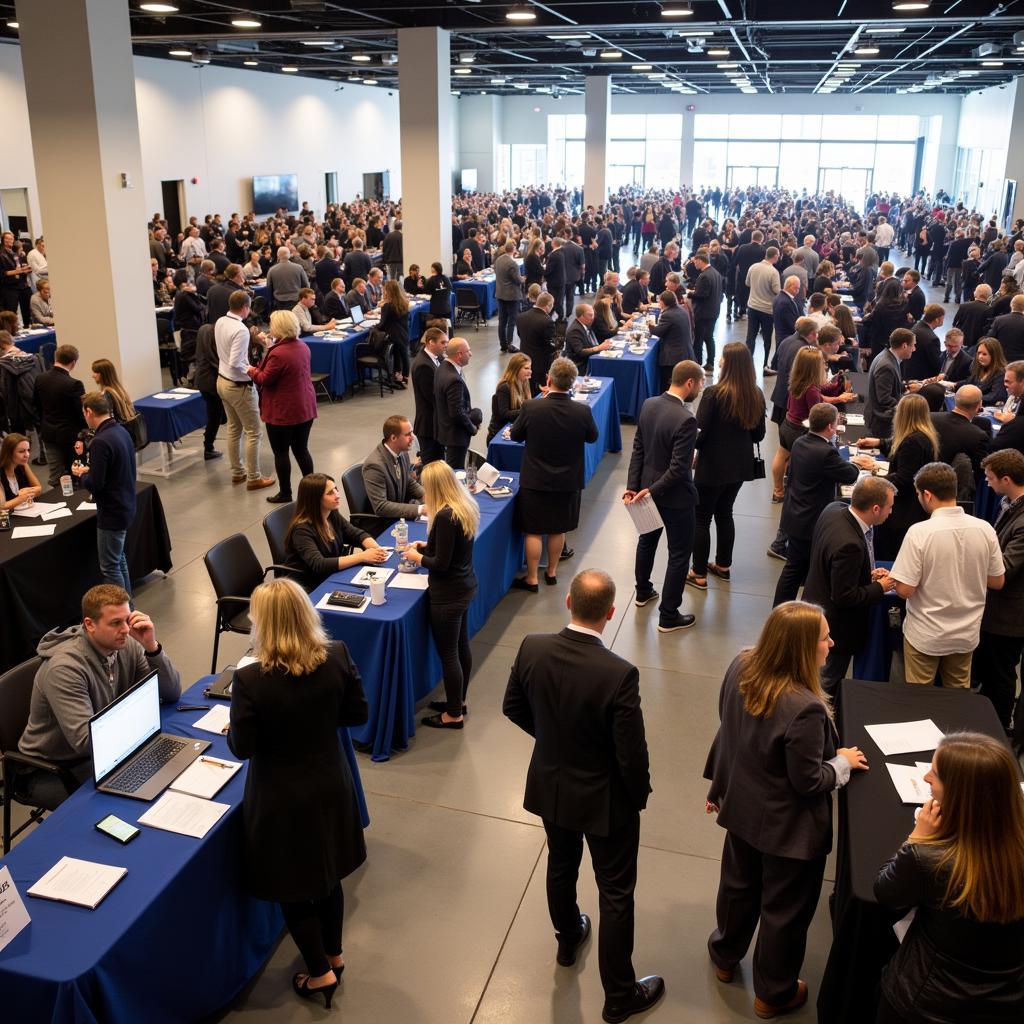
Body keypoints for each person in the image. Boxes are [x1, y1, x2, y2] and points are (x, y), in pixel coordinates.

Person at [502, 569, 664, 1024]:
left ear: (568, 602)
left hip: (551, 787)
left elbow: (512, 706)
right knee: (615, 893)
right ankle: (618, 996)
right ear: (612, 614)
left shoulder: (532, 646)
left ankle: (568, 935)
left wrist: (554, 742)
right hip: (604, 800)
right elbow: (631, 756)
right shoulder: (618, 674)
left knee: (561, 862)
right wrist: (637, 798)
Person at [704, 601, 867, 1021]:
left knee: (737, 888)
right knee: (784, 911)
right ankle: (772, 993)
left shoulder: (742, 664)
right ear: (800, 648)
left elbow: (729, 727)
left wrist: (719, 785)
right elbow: (809, 781)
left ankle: (724, 956)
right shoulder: (805, 708)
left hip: (740, 809)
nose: (831, 644)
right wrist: (842, 762)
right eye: (824, 639)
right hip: (787, 832)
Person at [227, 578, 368, 1009]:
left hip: (281, 799)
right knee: (327, 877)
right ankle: (335, 956)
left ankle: (320, 975)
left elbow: (242, 748)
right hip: (331, 784)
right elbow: (357, 714)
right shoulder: (338, 655)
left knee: (293, 887)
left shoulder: (251, 680)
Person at [873, 732, 1024, 1024]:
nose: (927, 778)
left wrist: (915, 839)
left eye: (936, 774)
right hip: (1007, 1004)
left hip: (925, 1002)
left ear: (962, 795)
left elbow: (885, 891)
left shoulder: (929, 860)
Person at [16, 584, 181, 810]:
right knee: (123, 808)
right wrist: (139, 715)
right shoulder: (65, 669)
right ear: (89, 625)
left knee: (166, 782)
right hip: (52, 769)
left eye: (127, 620)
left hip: (107, 752)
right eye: (115, 623)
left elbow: (171, 693)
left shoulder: (128, 644)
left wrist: (151, 647)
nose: (125, 629)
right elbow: (85, 742)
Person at [890, 462, 1004, 687]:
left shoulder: (919, 532)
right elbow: (997, 581)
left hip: (926, 634)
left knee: (920, 700)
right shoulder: (985, 529)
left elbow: (905, 590)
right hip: (966, 634)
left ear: (927, 494)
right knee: (957, 699)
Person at [625, 360, 704, 632]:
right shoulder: (686, 419)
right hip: (675, 498)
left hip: (645, 490)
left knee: (646, 541)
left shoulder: (648, 404)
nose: (701, 389)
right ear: (690, 383)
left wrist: (634, 486)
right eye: (701, 384)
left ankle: (643, 591)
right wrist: (652, 490)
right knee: (679, 554)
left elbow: (638, 448)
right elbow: (679, 469)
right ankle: (668, 615)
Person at [401, 461, 479, 730]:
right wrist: (427, 545)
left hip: (448, 595)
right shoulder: (463, 506)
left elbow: (441, 563)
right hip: (465, 586)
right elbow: (450, 549)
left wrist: (416, 556)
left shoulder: (445, 516)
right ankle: (459, 700)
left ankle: (453, 714)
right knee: (461, 647)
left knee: (449, 654)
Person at [802, 477, 897, 692]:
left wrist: (866, 575)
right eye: (889, 508)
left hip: (816, 601)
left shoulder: (834, 511)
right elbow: (845, 597)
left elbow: (834, 568)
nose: (890, 513)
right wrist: (881, 586)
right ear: (875, 509)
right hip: (837, 627)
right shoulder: (850, 545)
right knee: (826, 682)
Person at [773, 403, 874, 606]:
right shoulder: (825, 452)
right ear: (830, 426)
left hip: (795, 516)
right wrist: (858, 463)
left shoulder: (800, 442)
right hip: (811, 522)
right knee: (809, 573)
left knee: (792, 569)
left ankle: (780, 611)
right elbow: (850, 475)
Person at [511, 357, 598, 592]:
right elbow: (592, 437)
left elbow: (517, 435)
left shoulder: (532, 407)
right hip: (567, 480)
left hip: (535, 479)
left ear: (549, 380)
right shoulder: (582, 411)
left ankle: (531, 577)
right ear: (572, 383)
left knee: (533, 530)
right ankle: (551, 572)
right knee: (557, 528)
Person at [690, 344, 766, 589]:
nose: (719, 360)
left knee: (701, 517)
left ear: (728, 363)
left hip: (712, 465)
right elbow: (759, 435)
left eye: (722, 357)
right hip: (741, 466)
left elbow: (699, 434)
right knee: (725, 513)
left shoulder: (713, 394)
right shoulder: (755, 393)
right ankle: (723, 565)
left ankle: (698, 573)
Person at [969, 449, 1024, 729]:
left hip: (1010, 615)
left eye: (990, 478)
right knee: (990, 672)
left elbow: (1004, 568)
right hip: (997, 611)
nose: (987, 483)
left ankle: (999, 730)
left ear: (1006, 478)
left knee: (1001, 676)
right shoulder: (1009, 504)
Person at [246, 309, 316, 504]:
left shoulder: (278, 354)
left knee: (281, 452)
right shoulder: (303, 347)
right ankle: (312, 490)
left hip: (283, 410)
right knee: (301, 449)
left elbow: (264, 379)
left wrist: (251, 370)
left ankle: (286, 493)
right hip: (304, 406)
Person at [858, 394, 939, 561]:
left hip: (903, 512)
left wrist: (873, 477)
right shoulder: (922, 436)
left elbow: (904, 480)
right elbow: (898, 452)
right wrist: (879, 443)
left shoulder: (912, 442)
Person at [70, 392, 137, 592]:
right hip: (126, 504)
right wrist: (91, 471)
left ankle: (121, 615)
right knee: (119, 560)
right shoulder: (120, 431)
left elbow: (96, 484)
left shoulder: (99, 441)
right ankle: (128, 607)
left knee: (110, 567)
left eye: (84, 413)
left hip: (111, 511)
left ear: (89, 411)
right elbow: (114, 468)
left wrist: (80, 476)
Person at [284, 473, 387, 590]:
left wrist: (376, 549)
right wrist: (362, 556)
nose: (337, 495)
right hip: (310, 584)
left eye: (336, 489)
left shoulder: (331, 514)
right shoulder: (301, 530)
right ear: (315, 499)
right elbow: (319, 564)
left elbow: (356, 534)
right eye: (330, 493)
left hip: (332, 574)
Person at [215, 290, 274, 491]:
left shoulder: (221, 321)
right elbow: (236, 362)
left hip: (222, 381)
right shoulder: (240, 329)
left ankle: (238, 472)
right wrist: (254, 370)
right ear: (245, 308)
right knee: (253, 432)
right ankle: (254, 477)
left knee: (234, 429)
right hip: (238, 386)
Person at [33, 343, 85, 488]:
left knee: (55, 476)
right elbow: (80, 413)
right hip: (71, 436)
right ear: (73, 363)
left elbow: (36, 406)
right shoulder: (74, 384)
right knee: (76, 472)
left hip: (49, 433)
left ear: (56, 357)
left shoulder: (40, 379)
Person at [361, 414, 425, 520]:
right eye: (408, 434)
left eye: (412, 432)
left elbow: (408, 481)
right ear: (393, 438)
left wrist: (426, 495)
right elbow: (381, 507)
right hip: (383, 523)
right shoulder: (374, 466)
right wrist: (419, 509)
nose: (413, 437)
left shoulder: (402, 453)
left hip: (398, 515)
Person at [433, 337, 482, 470]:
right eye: (468, 351)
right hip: (456, 436)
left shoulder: (442, 367)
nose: (470, 354)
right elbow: (456, 412)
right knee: (456, 472)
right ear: (459, 354)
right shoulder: (454, 379)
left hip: (445, 431)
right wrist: (472, 428)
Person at [865, 328, 916, 437]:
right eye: (913, 345)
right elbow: (884, 398)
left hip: (879, 419)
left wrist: (906, 387)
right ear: (904, 346)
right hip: (881, 422)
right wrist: (908, 406)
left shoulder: (887, 356)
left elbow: (889, 385)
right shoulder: (887, 365)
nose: (914, 349)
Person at [410, 325, 447, 467]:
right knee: (431, 467)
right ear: (431, 342)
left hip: (435, 424)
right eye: (442, 343)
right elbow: (432, 398)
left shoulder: (437, 358)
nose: (445, 346)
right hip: (429, 426)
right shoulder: (423, 365)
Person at [745, 245, 781, 369]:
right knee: (767, 338)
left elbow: (747, 283)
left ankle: (748, 362)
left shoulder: (753, 267)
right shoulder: (773, 272)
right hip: (767, 310)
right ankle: (765, 363)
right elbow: (777, 290)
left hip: (753, 306)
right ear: (775, 256)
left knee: (751, 336)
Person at [650, 290, 694, 393]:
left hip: (673, 356)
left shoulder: (668, 314)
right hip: (685, 351)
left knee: (667, 384)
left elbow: (657, 332)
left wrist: (650, 324)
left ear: (663, 302)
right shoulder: (681, 309)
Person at [192, 323, 224, 461]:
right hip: (210, 382)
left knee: (214, 415)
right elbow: (215, 360)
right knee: (214, 416)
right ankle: (208, 447)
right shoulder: (212, 334)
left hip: (201, 380)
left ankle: (209, 445)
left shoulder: (203, 329)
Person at [486, 353, 533, 443]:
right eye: (526, 368)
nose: (530, 371)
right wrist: (527, 409)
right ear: (516, 369)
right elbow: (505, 414)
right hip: (499, 433)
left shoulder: (525, 383)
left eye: (530, 368)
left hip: (514, 427)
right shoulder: (504, 387)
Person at [516, 291, 558, 389]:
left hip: (524, 360)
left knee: (526, 388)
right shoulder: (547, 321)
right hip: (541, 364)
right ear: (548, 306)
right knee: (541, 390)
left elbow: (519, 335)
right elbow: (549, 344)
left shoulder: (521, 317)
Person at [690, 249, 723, 371]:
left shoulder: (704, 275)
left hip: (703, 313)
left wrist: (690, 295)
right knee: (709, 337)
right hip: (713, 311)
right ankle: (710, 362)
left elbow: (702, 295)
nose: (694, 264)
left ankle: (696, 364)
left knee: (698, 340)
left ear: (700, 260)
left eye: (695, 262)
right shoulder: (716, 273)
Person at [378, 278, 411, 388]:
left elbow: (382, 324)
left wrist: (372, 327)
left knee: (397, 356)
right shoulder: (404, 303)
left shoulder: (387, 306)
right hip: (403, 333)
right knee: (404, 355)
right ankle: (404, 377)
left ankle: (397, 376)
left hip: (393, 335)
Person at [958, 336, 1008, 406]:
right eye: (979, 353)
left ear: (994, 356)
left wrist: (970, 399)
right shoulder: (980, 368)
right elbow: (968, 382)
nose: (980, 357)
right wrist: (952, 385)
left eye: (984, 354)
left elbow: (995, 396)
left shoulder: (1001, 373)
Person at [494, 240, 523, 354]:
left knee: (502, 321)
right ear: (514, 250)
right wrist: (522, 279)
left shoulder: (498, 260)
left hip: (500, 294)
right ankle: (510, 343)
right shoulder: (513, 264)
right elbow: (517, 280)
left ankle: (503, 344)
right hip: (511, 295)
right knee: (512, 320)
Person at [563, 303, 612, 372]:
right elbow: (580, 352)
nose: (593, 318)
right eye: (590, 315)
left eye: (593, 314)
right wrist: (598, 348)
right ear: (581, 316)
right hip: (580, 365)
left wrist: (603, 346)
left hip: (588, 360)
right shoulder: (575, 330)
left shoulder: (585, 325)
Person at [0, 432, 42, 510]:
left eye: (28, 450)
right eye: (21, 451)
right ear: (9, 453)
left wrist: (26, 492)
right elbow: (2, 506)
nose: (27, 455)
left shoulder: (23, 464)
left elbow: (38, 489)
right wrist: (23, 496)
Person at [89, 358, 136, 426]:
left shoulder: (107, 393)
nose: (93, 376)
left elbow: (109, 420)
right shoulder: (119, 389)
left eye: (95, 372)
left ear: (103, 374)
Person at [267, 246, 309, 310]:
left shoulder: (272, 270)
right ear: (289, 255)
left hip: (279, 303)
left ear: (278, 256)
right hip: (296, 301)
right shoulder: (299, 268)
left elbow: (269, 288)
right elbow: (306, 285)